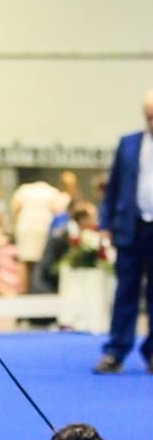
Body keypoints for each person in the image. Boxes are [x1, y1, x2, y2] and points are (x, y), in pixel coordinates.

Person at [94, 90, 153, 373]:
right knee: (125, 293)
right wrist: (105, 223)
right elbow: (113, 187)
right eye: (149, 117)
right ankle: (115, 352)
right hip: (131, 228)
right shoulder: (128, 144)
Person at [10, 179, 68, 293]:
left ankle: (23, 291)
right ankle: (37, 290)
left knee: (24, 260)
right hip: (43, 227)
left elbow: (15, 207)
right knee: (41, 261)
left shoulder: (24, 189)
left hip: (25, 226)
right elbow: (59, 211)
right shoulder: (52, 192)